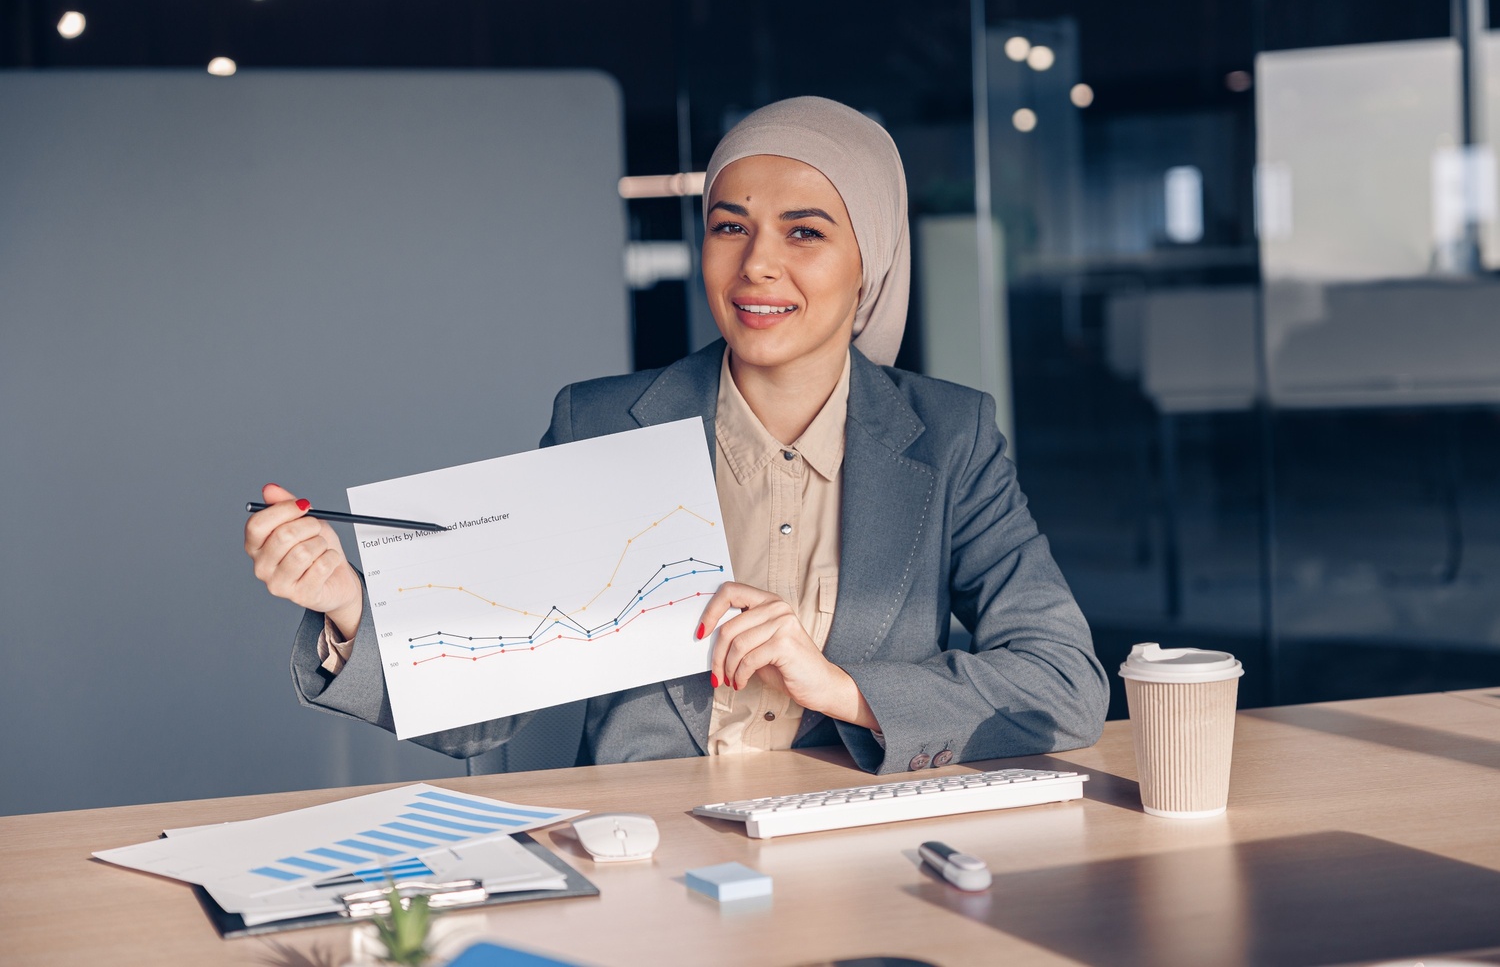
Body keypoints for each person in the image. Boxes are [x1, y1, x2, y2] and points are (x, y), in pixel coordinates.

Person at [246, 96, 1108, 776]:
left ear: (870, 263)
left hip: (857, 843)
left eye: (805, 231)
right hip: (648, 851)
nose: (756, 264)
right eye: (730, 225)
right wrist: (352, 607)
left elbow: (1064, 684)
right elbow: (484, 711)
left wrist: (844, 689)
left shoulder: (952, 436)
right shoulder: (599, 424)